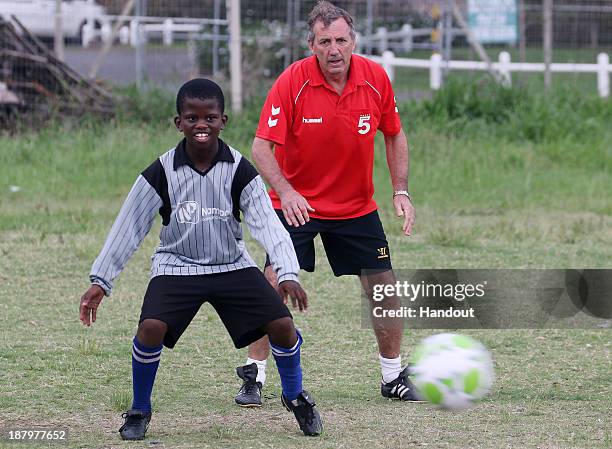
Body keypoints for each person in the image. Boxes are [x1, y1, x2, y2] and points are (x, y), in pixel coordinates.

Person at [78, 78, 323, 440]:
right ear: (179, 123)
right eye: (191, 118)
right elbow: (128, 227)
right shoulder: (160, 171)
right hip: (177, 264)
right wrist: (101, 281)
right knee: (150, 328)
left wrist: (287, 273)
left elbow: (268, 225)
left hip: (232, 265)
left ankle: (295, 396)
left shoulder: (240, 170)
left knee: (283, 325)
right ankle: (139, 410)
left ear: (223, 120)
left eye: (209, 117)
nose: (201, 125)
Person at [234, 1, 419, 407]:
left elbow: (394, 134)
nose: (334, 50)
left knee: (383, 287)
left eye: (341, 40)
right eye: (324, 42)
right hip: (296, 204)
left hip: (355, 207)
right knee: (272, 284)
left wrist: (400, 190)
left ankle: (392, 377)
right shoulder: (292, 81)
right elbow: (261, 147)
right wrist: (286, 190)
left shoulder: (374, 79)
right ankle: (255, 375)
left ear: (353, 41)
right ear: (311, 44)